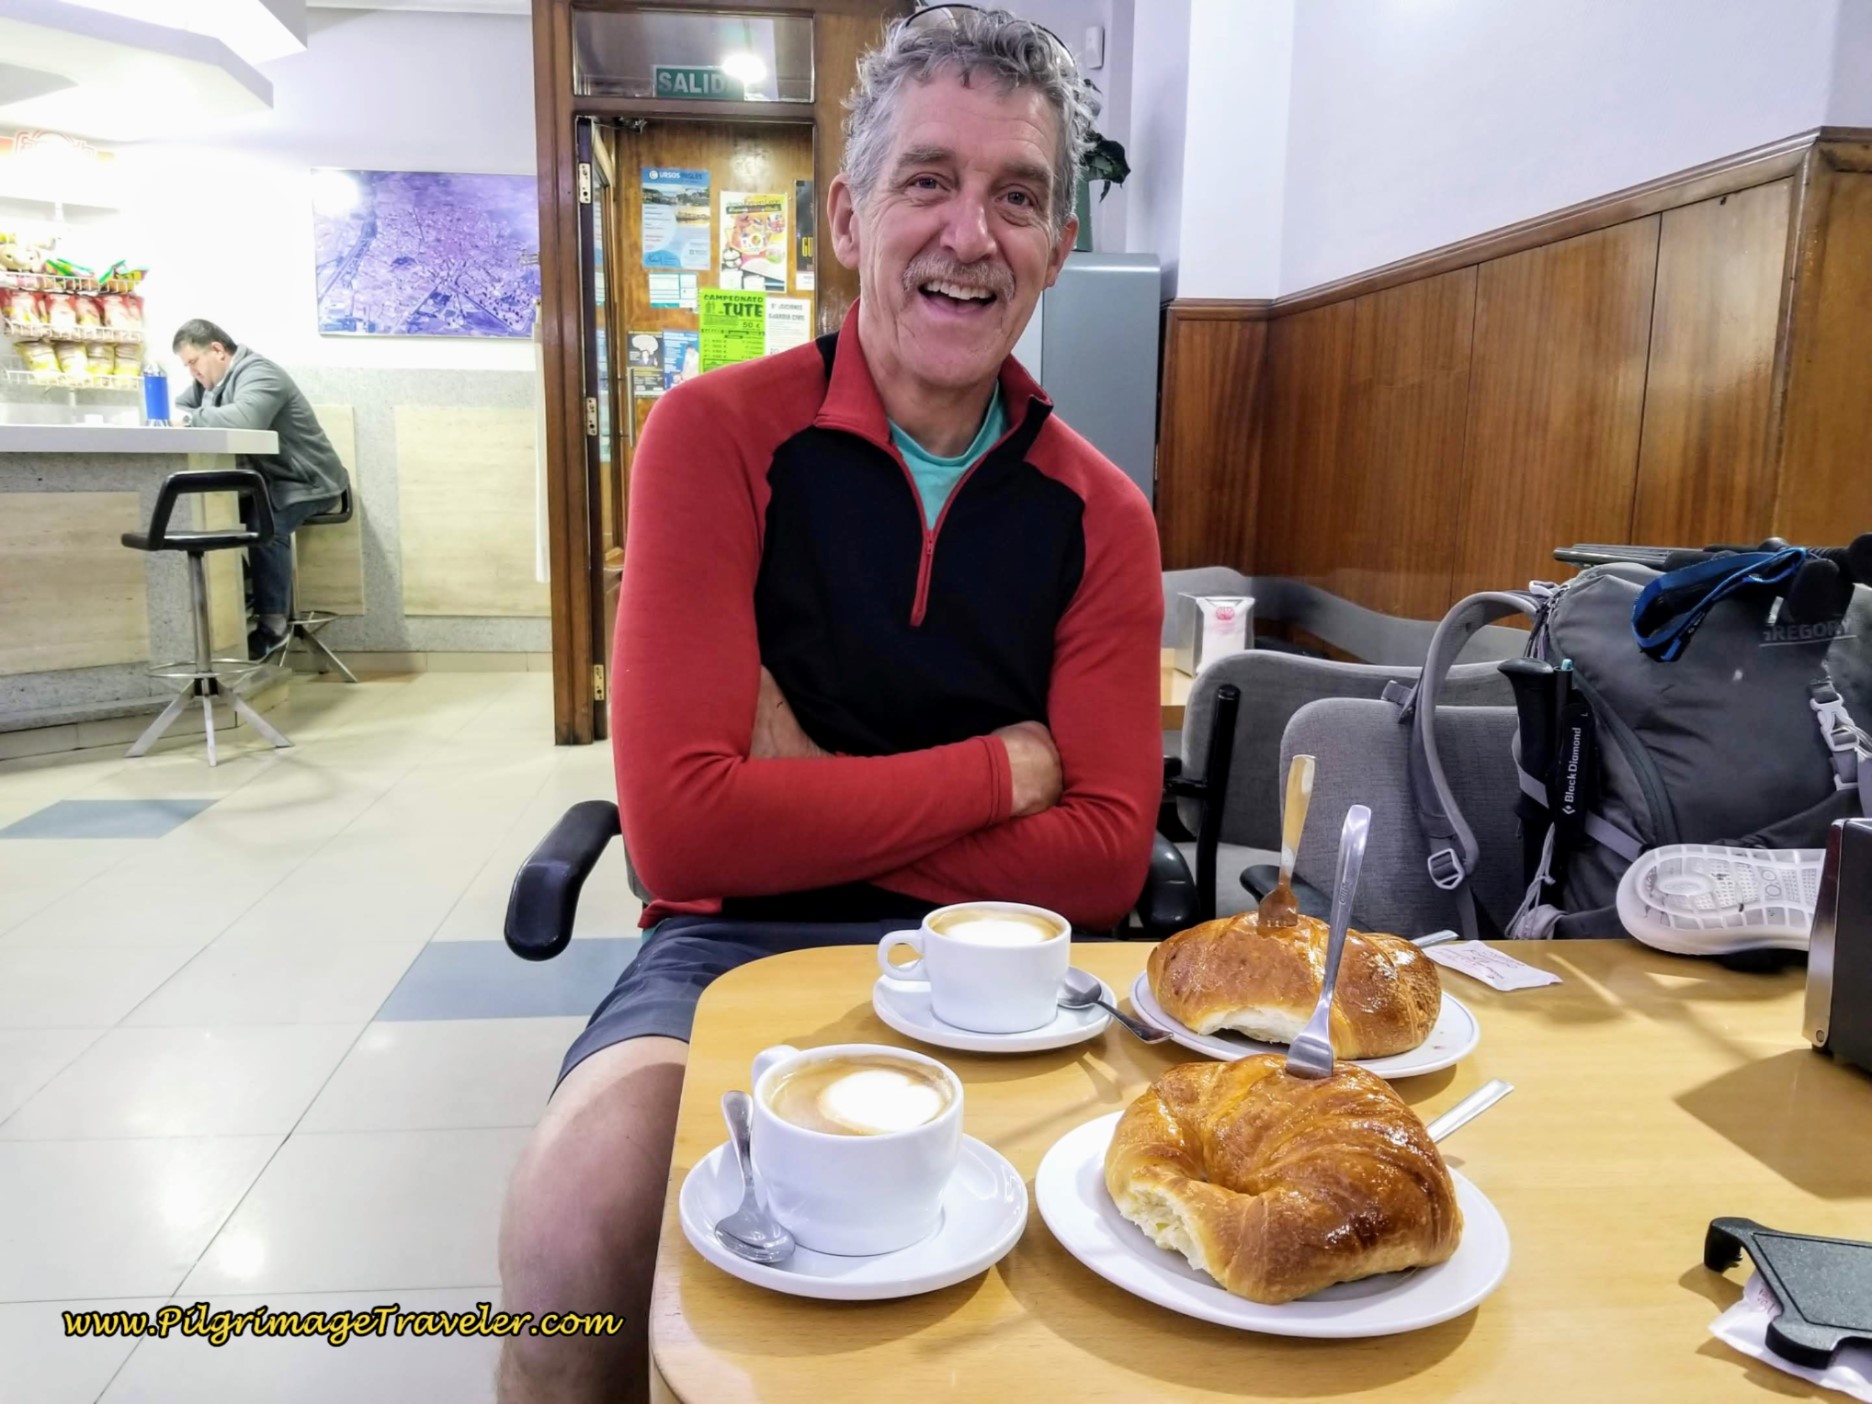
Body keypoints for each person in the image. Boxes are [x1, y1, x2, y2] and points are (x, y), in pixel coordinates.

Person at [496, 9, 1163, 1402]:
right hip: (730, 946)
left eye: (1017, 197)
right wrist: (1001, 774)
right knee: (574, 1233)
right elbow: (683, 838)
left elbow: (1104, 863)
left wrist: (792, 789)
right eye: (929, 180)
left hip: (1006, 973)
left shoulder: (1104, 515)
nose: (971, 234)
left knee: (1095, 1281)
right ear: (852, 219)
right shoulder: (715, 437)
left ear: (1055, 247)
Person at [170, 319, 350, 659]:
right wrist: (188, 415)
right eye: (187, 366)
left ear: (217, 350)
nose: (192, 371)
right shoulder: (208, 383)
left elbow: (244, 420)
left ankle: (273, 626)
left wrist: (192, 419)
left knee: (266, 522)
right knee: (205, 515)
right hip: (269, 484)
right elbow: (178, 409)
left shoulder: (261, 374)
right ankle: (247, 589)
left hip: (310, 481)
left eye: (193, 361)